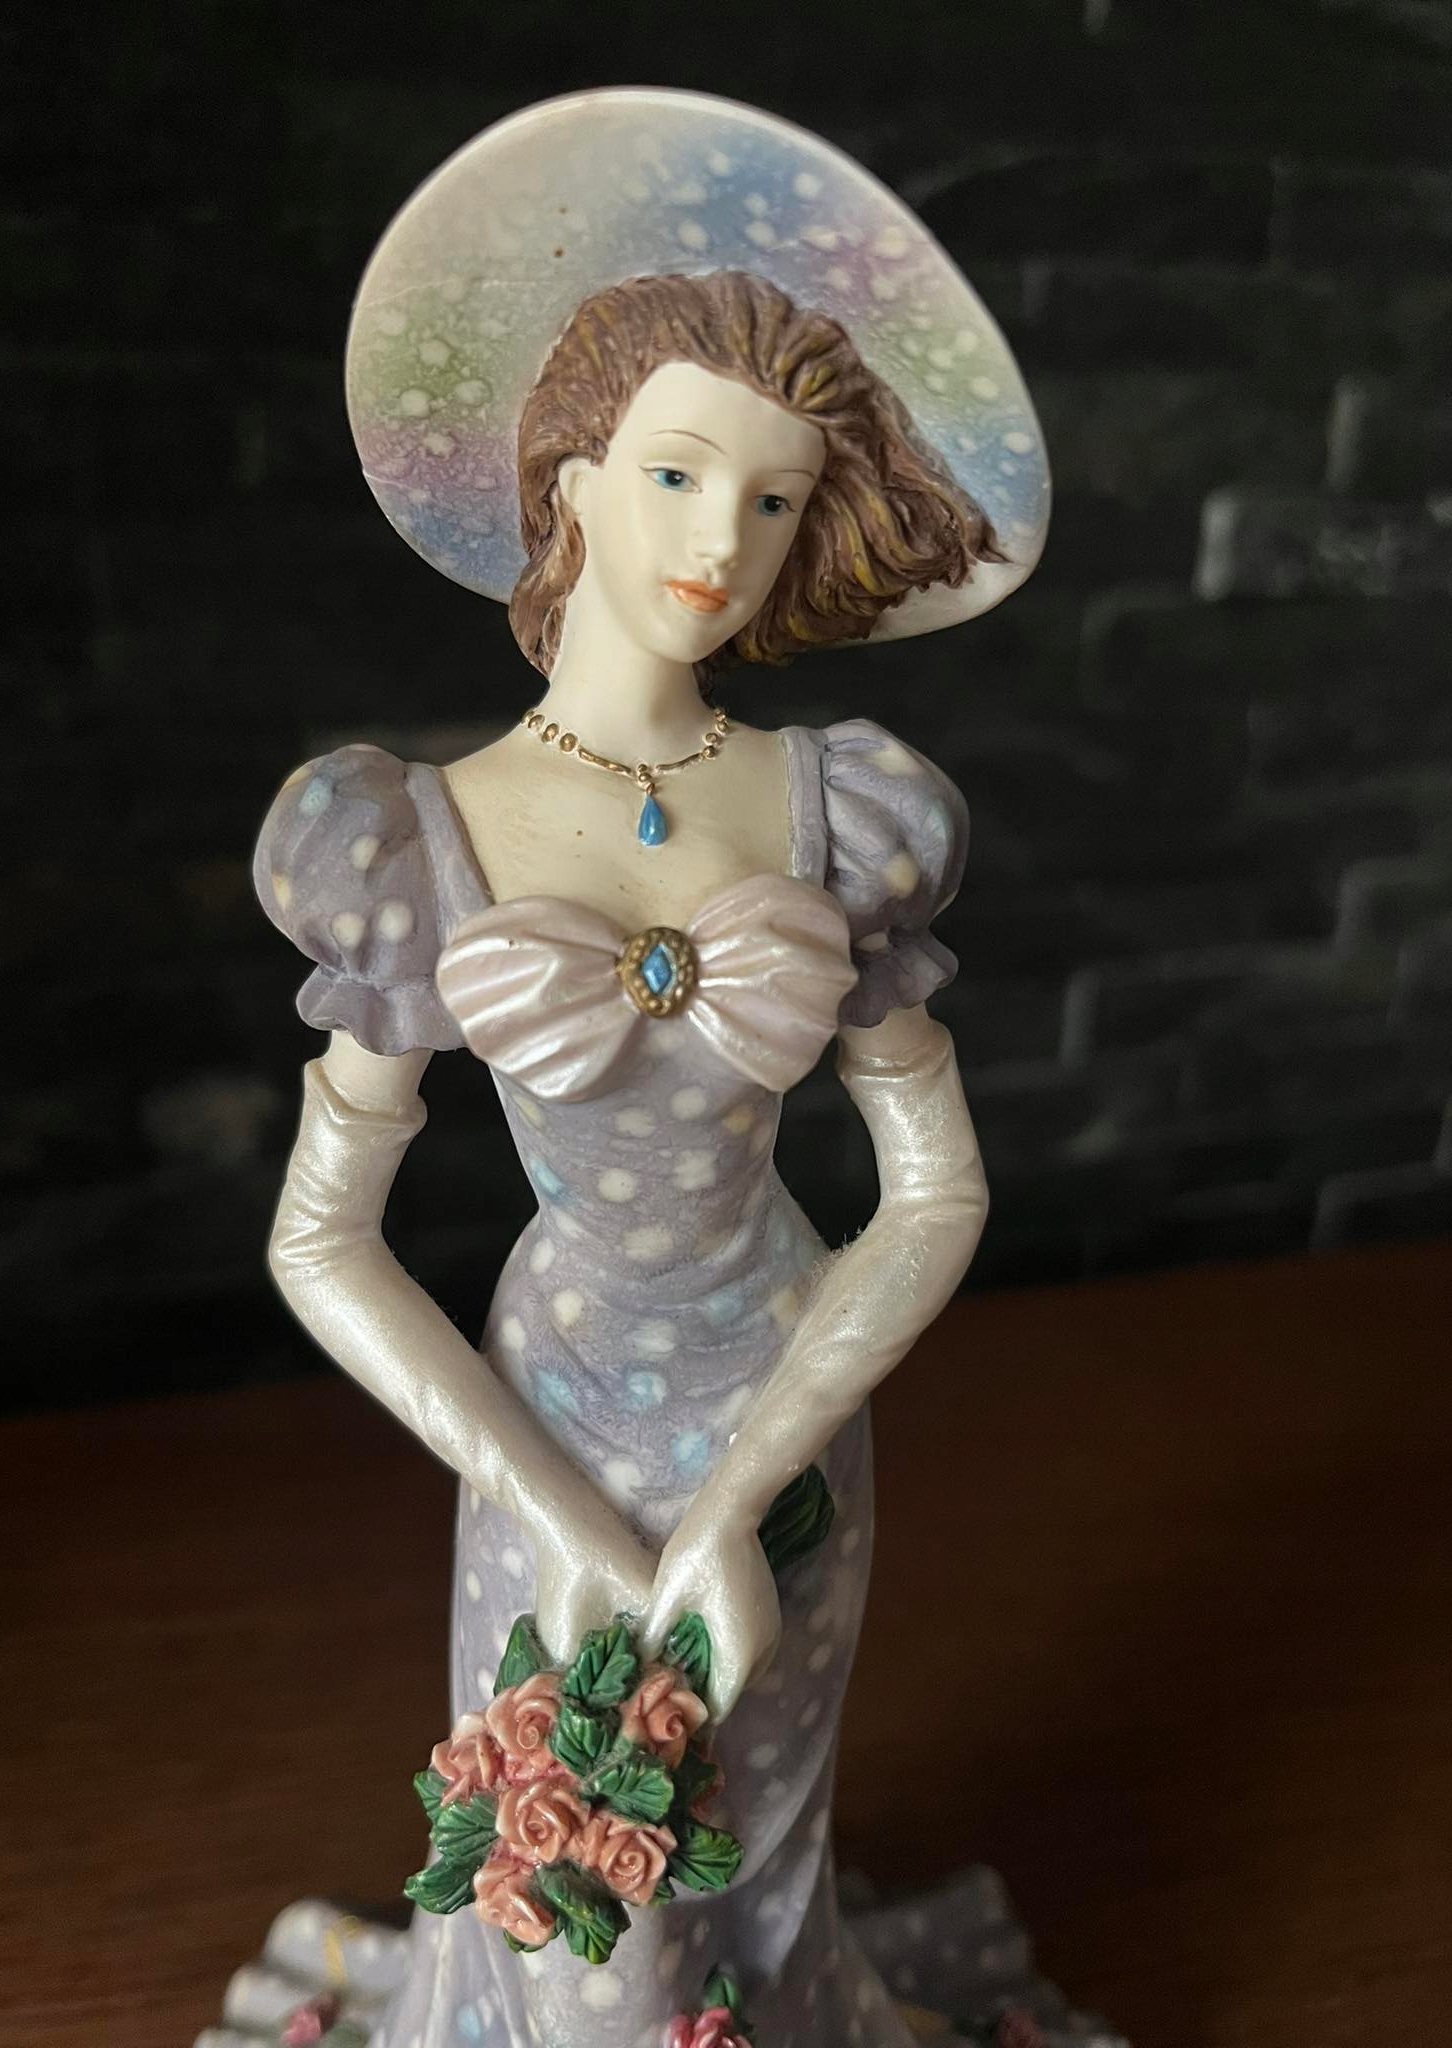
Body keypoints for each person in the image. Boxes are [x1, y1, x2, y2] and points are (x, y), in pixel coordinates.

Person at [230, 89, 1050, 2048]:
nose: (721, 542)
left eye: (771, 500)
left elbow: (936, 1191)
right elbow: (319, 1240)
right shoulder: (415, 837)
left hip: (788, 1399)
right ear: (572, 479)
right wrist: (572, 1521)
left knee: (752, 1857)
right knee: (585, 1912)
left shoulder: (843, 811)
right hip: (553, 1423)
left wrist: (748, 1493)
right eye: (680, 474)